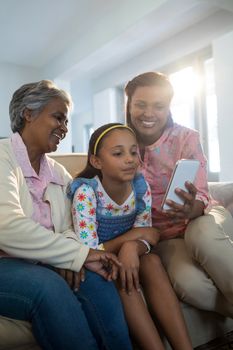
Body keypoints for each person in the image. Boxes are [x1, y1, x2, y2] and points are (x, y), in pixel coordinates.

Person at [0, 80, 133, 350]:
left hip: (42, 260)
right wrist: (76, 254)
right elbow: (7, 226)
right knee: (49, 287)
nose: (64, 128)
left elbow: (69, 227)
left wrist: (68, 254)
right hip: (6, 263)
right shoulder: (3, 158)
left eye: (67, 121)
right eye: (58, 117)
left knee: (96, 278)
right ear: (28, 113)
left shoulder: (59, 173)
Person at [68, 122, 193, 350]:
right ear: (97, 161)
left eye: (134, 152)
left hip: (125, 255)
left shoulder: (139, 186)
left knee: (152, 261)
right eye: (118, 153)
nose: (130, 159)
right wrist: (132, 239)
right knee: (121, 272)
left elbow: (150, 237)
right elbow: (91, 252)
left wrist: (132, 248)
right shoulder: (86, 193)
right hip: (97, 264)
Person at [125, 71, 233, 317]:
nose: (149, 113)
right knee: (189, 285)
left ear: (169, 107)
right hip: (164, 238)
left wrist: (191, 208)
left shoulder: (186, 138)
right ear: (129, 105)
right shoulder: (121, 145)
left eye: (158, 106)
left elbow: (203, 196)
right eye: (141, 104)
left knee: (202, 235)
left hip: (201, 218)